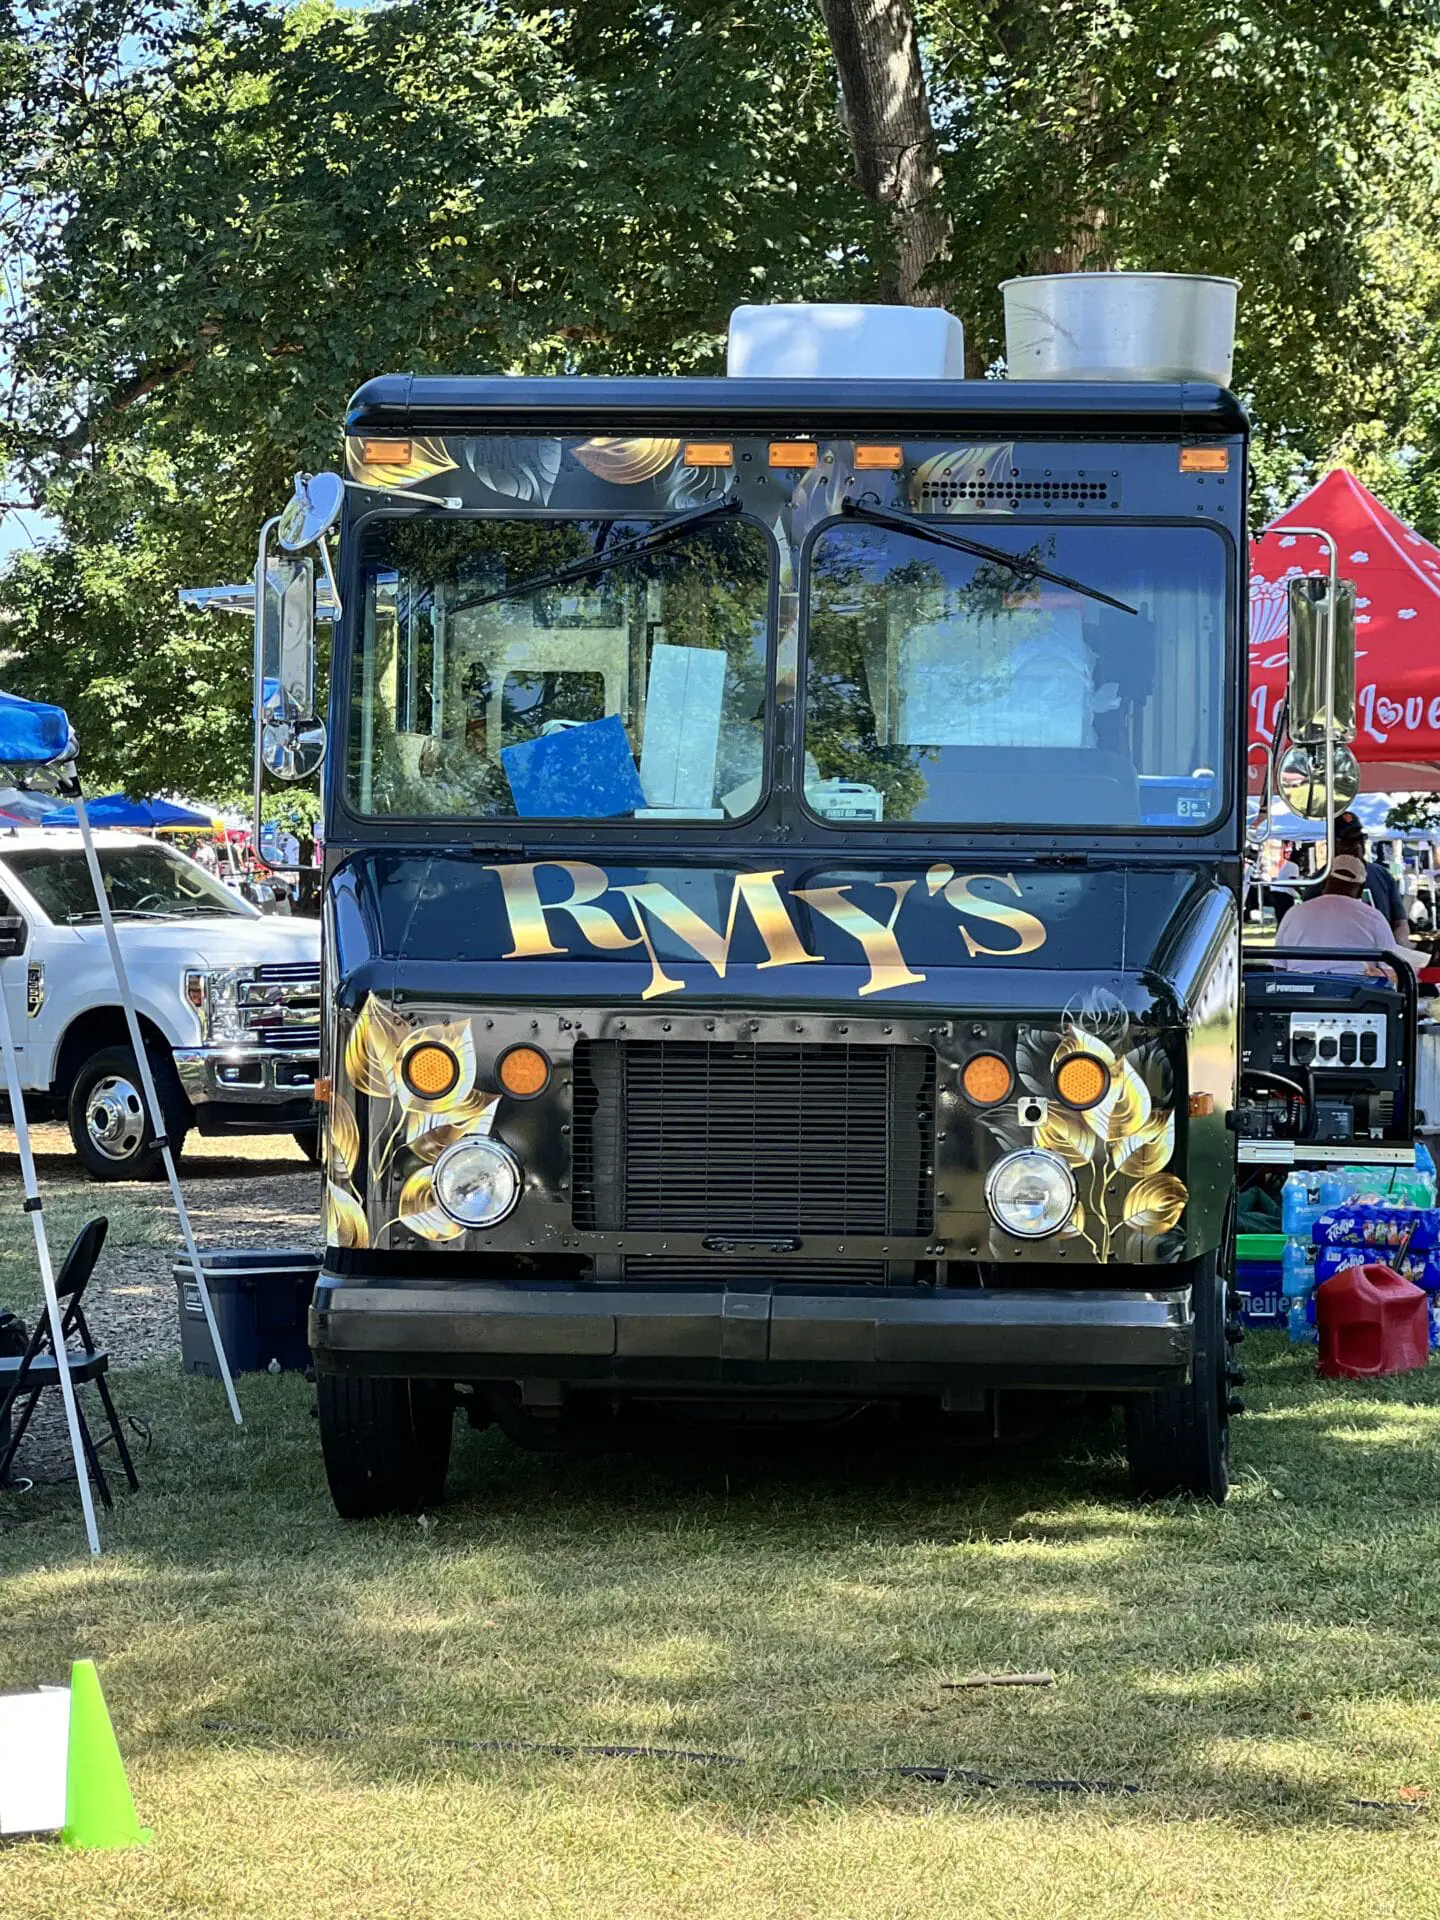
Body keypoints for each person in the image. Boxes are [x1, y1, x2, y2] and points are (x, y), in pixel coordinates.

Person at [1275, 853, 1417, 975]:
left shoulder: (1293, 914)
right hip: (1357, 1001)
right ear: (1361, 888)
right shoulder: (1374, 917)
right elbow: (1391, 968)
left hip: (1300, 998)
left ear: (1324, 881)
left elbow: (1279, 967)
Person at [1334, 811, 1409, 942]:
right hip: (1343, 957)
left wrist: (1398, 948)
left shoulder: (1382, 874)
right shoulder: (1320, 879)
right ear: (1334, 843)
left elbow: (1400, 923)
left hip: (1383, 955)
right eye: (1349, 840)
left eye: (1361, 838)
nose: (1357, 845)